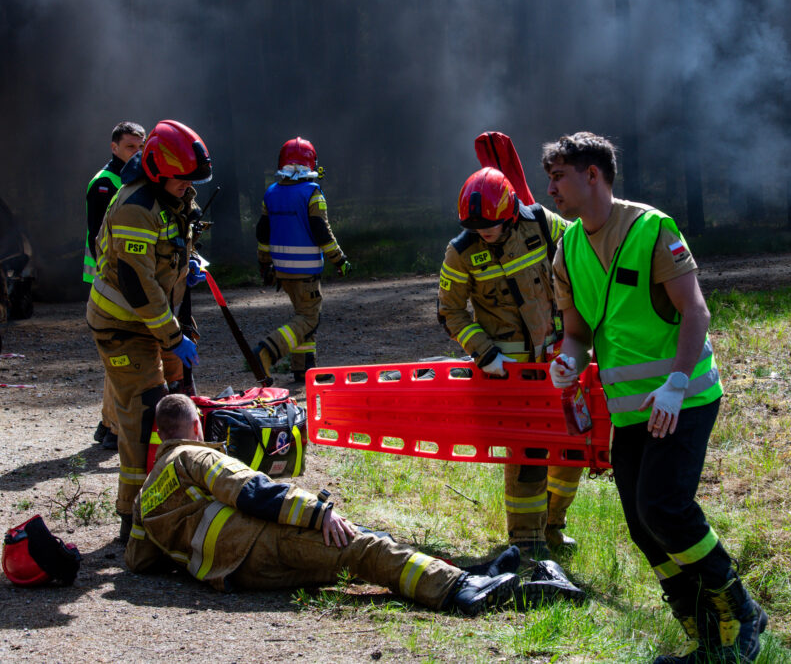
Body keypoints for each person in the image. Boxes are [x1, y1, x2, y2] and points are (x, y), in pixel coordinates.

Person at [542, 132, 767, 663]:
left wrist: (676, 383)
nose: (550, 189)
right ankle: (704, 636)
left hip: (683, 398)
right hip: (630, 411)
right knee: (644, 527)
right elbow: (577, 333)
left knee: (664, 509)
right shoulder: (567, 249)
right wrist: (567, 362)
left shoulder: (652, 228)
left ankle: (740, 613)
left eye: (559, 177)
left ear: (592, 175)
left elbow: (696, 312)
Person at [125, 394, 524, 615]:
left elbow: (139, 560)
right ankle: (458, 590)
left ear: (162, 433)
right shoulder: (194, 457)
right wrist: (320, 513)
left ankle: (471, 573)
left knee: (355, 551)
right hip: (256, 544)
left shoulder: (145, 495)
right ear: (197, 425)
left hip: (231, 574)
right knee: (361, 548)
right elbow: (253, 490)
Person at [437, 163, 583, 559]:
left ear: (510, 212)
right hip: (512, 373)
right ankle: (527, 544)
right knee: (527, 456)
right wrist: (485, 354)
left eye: (490, 226)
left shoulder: (541, 222)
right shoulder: (461, 252)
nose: (483, 233)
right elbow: (450, 312)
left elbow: (581, 252)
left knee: (572, 444)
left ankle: (553, 526)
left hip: (559, 359)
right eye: (476, 227)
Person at [86, 120, 211, 543]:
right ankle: (132, 518)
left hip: (153, 320)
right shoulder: (134, 208)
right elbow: (137, 285)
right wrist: (173, 337)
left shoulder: (174, 194)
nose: (188, 186)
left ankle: (173, 497)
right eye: (183, 179)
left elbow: (170, 245)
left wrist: (188, 264)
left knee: (174, 398)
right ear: (159, 171)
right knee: (143, 412)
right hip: (121, 325)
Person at [253, 138, 352, 384]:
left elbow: (263, 233)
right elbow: (322, 232)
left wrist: (264, 263)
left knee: (303, 315)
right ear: (311, 164)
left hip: (282, 271)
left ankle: (305, 369)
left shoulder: (271, 193)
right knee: (309, 319)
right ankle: (266, 352)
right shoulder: (312, 193)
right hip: (306, 271)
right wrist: (339, 259)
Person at [85, 121, 145, 451]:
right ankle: (111, 425)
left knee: (119, 355)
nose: (137, 152)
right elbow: (99, 236)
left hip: (122, 278)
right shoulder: (105, 183)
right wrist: (113, 278)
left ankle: (108, 423)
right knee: (120, 353)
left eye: (141, 146)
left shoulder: (136, 179)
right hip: (109, 280)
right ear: (114, 148)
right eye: (130, 147)